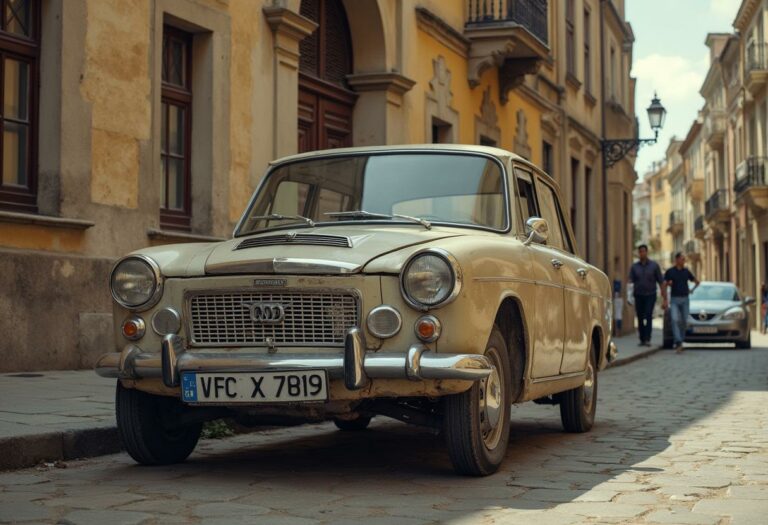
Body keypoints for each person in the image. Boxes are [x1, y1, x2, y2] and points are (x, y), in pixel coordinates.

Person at [628, 245, 667, 347]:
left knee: (649, 315)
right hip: (638, 295)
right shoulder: (634, 267)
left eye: (644, 251)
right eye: (640, 252)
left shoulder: (654, 266)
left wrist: (664, 297)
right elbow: (630, 282)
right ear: (638, 253)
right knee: (640, 317)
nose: (642, 253)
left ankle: (648, 339)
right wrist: (629, 296)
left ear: (647, 252)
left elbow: (661, 281)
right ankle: (642, 339)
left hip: (651, 295)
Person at [664, 252, 700, 353]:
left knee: (684, 320)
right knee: (675, 320)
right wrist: (665, 298)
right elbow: (664, 284)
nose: (684, 261)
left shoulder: (686, 271)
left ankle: (680, 339)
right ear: (677, 260)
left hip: (685, 299)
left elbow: (697, 282)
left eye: (684, 259)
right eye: (682, 259)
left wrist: (691, 290)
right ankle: (678, 342)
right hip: (674, 299)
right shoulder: (670, 272)